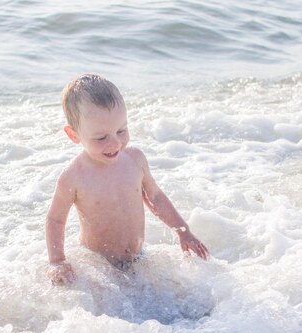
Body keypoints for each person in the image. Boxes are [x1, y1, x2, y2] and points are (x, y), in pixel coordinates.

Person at [45, 74, 209, 285]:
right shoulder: (74, 177)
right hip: (99, 265)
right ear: (74, 135)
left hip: (139, 258)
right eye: (101, 138)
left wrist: (183, 232)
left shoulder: (135, 160)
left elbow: (156, 198)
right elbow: (55, 220)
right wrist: (57, 262)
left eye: (121, 130)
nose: (114, 143)